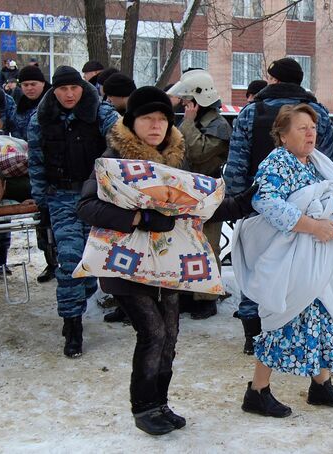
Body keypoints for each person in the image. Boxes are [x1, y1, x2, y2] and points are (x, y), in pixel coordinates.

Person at [77, 86, 256, 435]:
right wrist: (140, 219)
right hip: (126, 265)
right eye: (147, 118)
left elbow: (194, 202)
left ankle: (160, 402)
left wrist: (240, 203)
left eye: (162, 118)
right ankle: (143, 408)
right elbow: (86, 206)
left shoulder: (177, 157)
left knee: (170, 334)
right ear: (132, 122)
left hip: (168, 263)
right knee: (153, 333)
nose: (156, 125)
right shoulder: (114, 158)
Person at [237, 104, 333, 418]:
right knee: (282, 317)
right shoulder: (278, 161)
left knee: (317, 316)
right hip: (290, 256)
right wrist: (315, 224)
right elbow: (265, 200)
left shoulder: (316, 163)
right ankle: (257, 390)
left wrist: (329, 208)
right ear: (282, 134)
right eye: (302, 127)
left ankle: (321, 384)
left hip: (316, 255)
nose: (311, 133)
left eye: (313, 127)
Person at [224, 57, 333, 355]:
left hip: (259, 206)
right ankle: (294, 329)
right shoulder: (319, 115)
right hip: (307, 210)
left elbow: (236, 163)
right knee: (299, 270)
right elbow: (328, 165)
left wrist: (237, 202)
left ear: (273, 79)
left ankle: (254, 334)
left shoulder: (251, 113)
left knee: (259, 266)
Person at [27, 65, 119, 357]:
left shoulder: (102, 113)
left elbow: (123, 144)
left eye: (74, 88)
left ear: (82, 88)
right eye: (63, 89)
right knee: (69, 261)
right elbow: (36, 162)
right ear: (54, 90)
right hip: (61, 196)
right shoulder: (41, 119)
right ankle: (73, 324)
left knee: (92, 262)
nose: (69, 94)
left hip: (95, 196)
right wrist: (41, 201)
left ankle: (79, 302)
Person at [166, 69, 232, 320]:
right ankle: (186, 293)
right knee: (184, 243)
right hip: (184, 189)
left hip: (207, 190)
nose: (183, 105)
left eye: (187, 101)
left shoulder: (218, 124)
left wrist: (189, 123)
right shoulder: (192, 121)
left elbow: (197, 152)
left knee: (207, 245)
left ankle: (206, 298)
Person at [12, 65, 57, 283]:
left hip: (53, 167)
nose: (29, 89)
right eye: (25, 85)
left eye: (33, 84)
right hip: (30, 166)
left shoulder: (53, 103)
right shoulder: (18, 107)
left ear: (43, 83)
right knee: (41, 220)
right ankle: (50, 262)